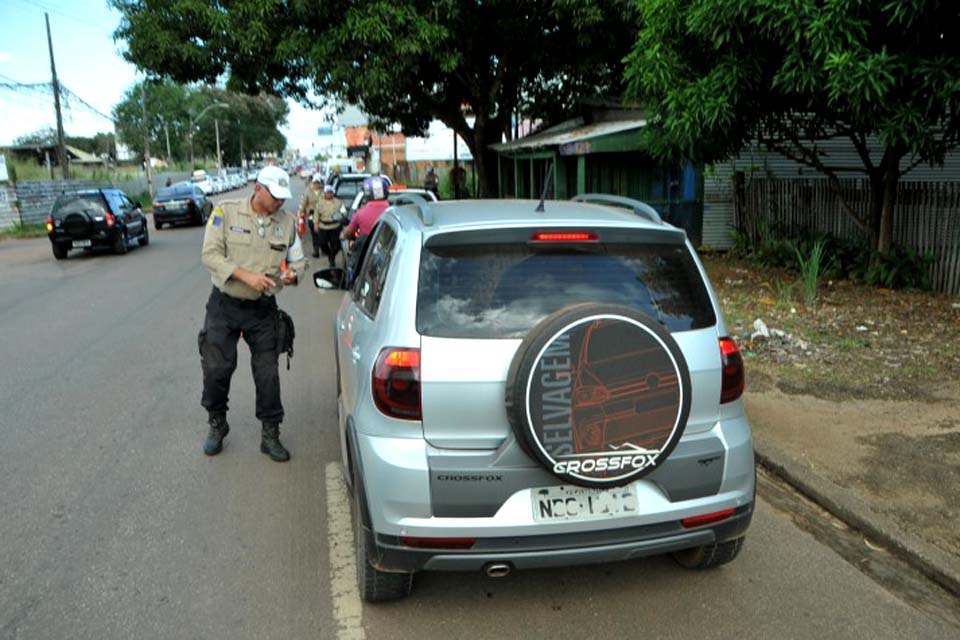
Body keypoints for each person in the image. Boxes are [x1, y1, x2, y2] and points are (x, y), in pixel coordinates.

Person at [198, 166, 306, 463]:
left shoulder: (287, 224)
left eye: (284, 197)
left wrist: (292, 276)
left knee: (267, 373)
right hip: (225, 305)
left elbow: (298, 263)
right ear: (258, 188)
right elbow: (210, 255)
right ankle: (217, 422)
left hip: (262, 309)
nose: (280, 202)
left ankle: (270, 433)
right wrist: (246, 276)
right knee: (217, 368)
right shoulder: (225, 212)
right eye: (275, 196)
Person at [341, 176, 390, 249]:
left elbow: (348, 233)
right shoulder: (393, 212)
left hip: (366, 252)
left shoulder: (360, 213)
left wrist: (344, 235)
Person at [313, 185, 343, 267]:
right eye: (327, 193)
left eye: (330, 193)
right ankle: (329, 254)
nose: (329, 194)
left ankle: (332, 257)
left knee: (337, 245)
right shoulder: (320, 202)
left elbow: (343, 212)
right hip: (323, 226)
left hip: (335, 226)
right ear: (325, 193)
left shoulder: (338, 202)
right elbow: (316, 214)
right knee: (322, 243)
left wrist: (341, 216)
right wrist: (315, 224)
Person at [300, 174, 324, 258]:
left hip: (321, 213)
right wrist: (301, 212)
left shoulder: (323, 192)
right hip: (311, 213)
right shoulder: (308, 191)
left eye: (318, 183)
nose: (316, 185)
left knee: (321, 232)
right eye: (315, 183)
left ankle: (323, 248)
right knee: (313, 231)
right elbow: (303, 203)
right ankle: (316, 250)